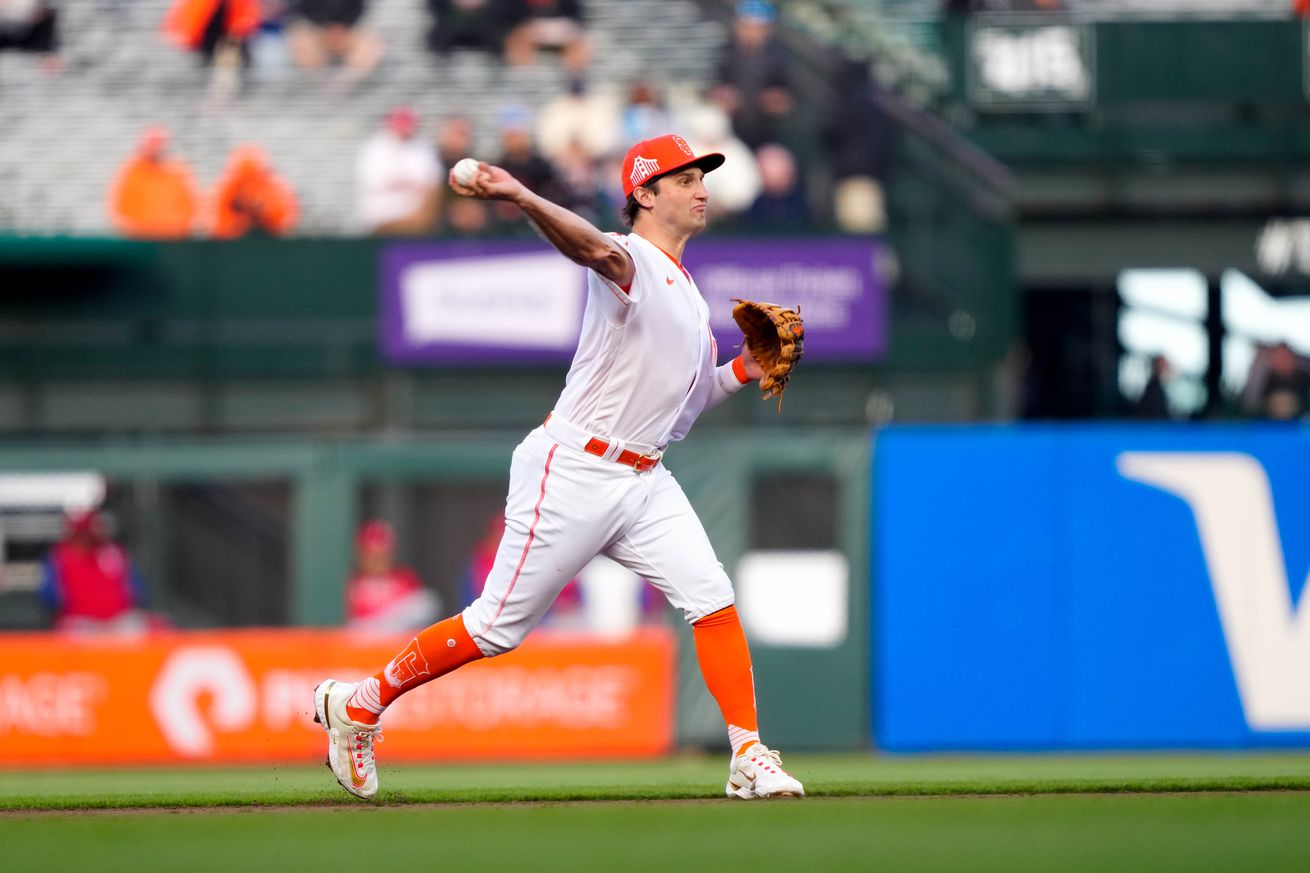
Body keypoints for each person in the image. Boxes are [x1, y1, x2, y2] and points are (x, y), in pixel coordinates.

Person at [313, 133, 805, 802]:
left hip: (644, 475)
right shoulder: (630, 257)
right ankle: (360, 704)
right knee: (494, 626)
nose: (701, 188)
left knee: (712, 599)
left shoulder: (690, 297)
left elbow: (684, 409)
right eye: (685, 177)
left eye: (702, 177)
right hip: (575, 466)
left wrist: (746, 368)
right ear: (645, 194)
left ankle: (748, 753)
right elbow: (592, 248)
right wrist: (518, 194)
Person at [39, 509, 150, 636]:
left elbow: (138, 591)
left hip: (118, 621)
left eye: (87, 533)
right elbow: (50, 597)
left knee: (141, 627)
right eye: (80, 534)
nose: (84, 538)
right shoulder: (58, 557)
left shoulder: (114, 552)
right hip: (79, 623)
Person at [355, 106, 443, 235]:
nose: (404, 130)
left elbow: (432, 181)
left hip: (416, 214)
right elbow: (373, 182)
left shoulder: (422, 148)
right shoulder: (374, 148)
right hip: (382, 215)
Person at [345, 520, 440, 633]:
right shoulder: (354, 583)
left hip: (399, 644)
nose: (377, 559)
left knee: (427, 600)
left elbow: (425, 611)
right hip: (365, 645)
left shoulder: (405, 578)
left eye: (382, 553)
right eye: (371, 553)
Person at [107, 126, 201, 239]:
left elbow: (194, 207)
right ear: (143, 145)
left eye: (159, 142)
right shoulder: (131, 173)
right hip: (141, 241)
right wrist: (134, 231)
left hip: (173, 241)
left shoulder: (178, 173)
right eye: (152, 143)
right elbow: (118, 210)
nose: (155, 147)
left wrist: (182, 229)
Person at [285, 0, 384, 89]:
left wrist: (342, 26)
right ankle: (320, 79)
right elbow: (301, 10)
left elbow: (358, 8)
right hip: (318, 30)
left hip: (346, 30)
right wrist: (325, 25)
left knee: (370, 43)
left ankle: (346, 80)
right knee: (301, 40)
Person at [209, 145, 299, 238]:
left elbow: (284, 218)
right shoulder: (227, 190)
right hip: (235, 240)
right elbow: (218, 221)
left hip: (268, 238)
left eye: (253, 178)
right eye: (244, 179)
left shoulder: (273, 188)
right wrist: (239, 220)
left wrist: (263, 213)